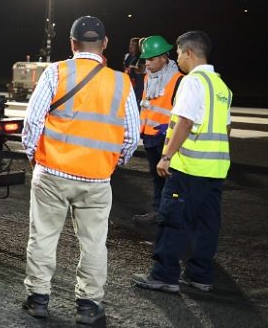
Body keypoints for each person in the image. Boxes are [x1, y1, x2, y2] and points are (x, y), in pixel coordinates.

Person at [21, 16, 139, 325]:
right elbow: (132, 136)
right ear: (105, 44)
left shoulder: (55, 72)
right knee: (94, 244)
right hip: (97, 178)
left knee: (43, 237)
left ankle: (38, 299)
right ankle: (88, 306)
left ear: (72, 44)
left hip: (52, 172)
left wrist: (36, 157)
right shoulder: (120, 81)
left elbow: (32, 122)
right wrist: (112, 163)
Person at [132, 31, 232, 294]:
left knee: (173, 220)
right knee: (207, 224)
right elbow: (226, 128)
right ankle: (200, 275)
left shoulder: (192, 82)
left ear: (188, 52)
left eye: (178, 53)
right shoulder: (221, 86)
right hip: (216, 168)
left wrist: (167, 156)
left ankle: (164, 275)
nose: (178, 58)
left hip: (190, 167)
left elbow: (185, 121)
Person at [132, 36, 183, 224]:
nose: (148, 63)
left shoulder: (178, 80)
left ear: (164, 57)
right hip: (150, 137)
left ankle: (169, 216)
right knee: (156, 178)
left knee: (170, 180)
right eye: (146, 59)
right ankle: (158, 212)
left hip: (167, 138)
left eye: (152, 59)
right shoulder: (148, 78)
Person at [124, 37, 145, 104]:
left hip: (137, 84)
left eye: (134, 45)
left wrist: (132, 68)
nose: (131, 46)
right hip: (128, 82)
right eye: (130, 44)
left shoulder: (141, 57)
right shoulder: (127, 56)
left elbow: (142, 70)